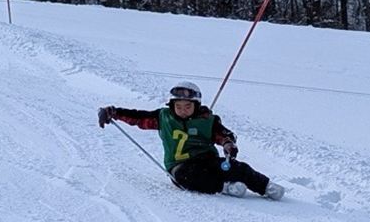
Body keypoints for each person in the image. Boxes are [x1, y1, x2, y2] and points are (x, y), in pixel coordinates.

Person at [98, 81, 285, 200]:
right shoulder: (164, 118)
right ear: (172, 106)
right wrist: (113, 112)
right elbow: (138, 117)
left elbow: (223, 134)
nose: (183, 110)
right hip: (180, 165)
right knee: (186, 178)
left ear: (196, 105)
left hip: (207, 159)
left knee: (239, 168)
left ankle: (266, 187)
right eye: (178, 106)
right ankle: (225, 187)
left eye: (188, 106)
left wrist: (228, 144)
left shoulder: (207, 120)